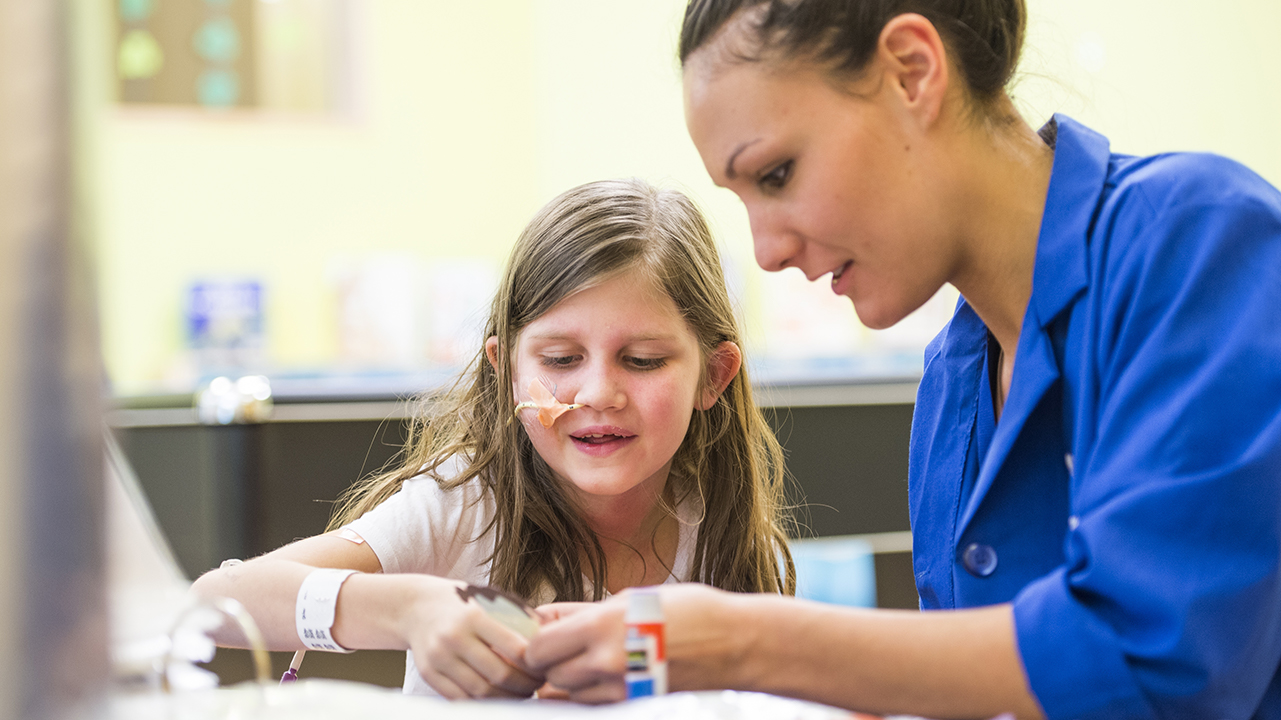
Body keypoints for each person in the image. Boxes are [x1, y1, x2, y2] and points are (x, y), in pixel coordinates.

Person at [524, 1, 1281, 718]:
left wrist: (732, 641)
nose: (767, 250)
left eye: (778, 174)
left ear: (911, 71)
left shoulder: (1196, 240)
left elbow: (1151, 662)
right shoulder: (954, 380)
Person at [191, 178, 796, 698]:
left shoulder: (735, 551)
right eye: (560, 359)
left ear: (713, 377)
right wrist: (410, 611)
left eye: (641, 361)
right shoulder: (462, 508)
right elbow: (218, 601)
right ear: (506, 370)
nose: (596, 394)